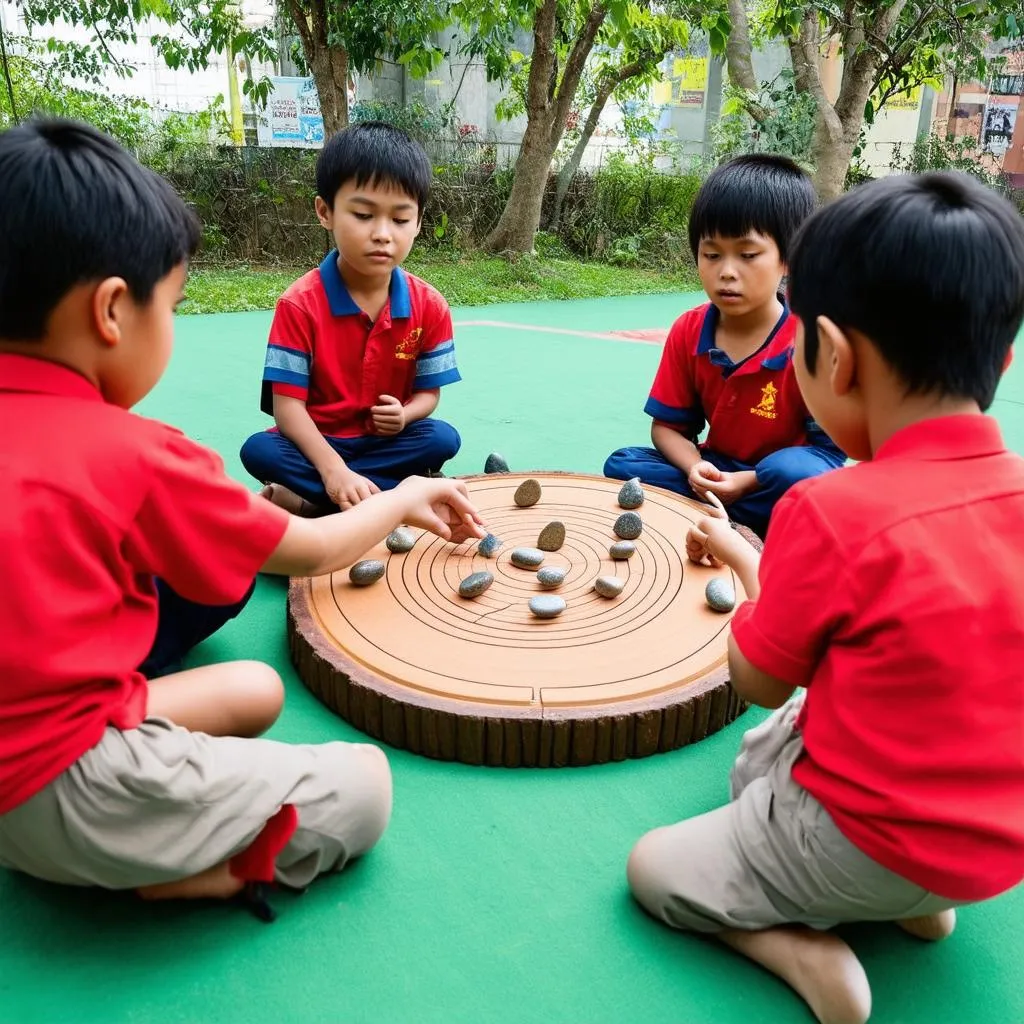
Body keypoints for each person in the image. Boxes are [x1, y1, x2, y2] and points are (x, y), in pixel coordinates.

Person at [0, 119, 485, 920]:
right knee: (364, 788)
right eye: (176, 305)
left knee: (255, 689)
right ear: (113, 312)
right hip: (51, 787)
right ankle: (173, 869)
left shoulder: (421, 302)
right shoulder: (138, 454)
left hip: (41, 726)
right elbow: (314, 547)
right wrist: (400, 497)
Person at [626, 171, 1024, 1024]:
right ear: (1003, 357)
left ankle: (805, 946)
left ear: (834, 356)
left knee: (658, 862)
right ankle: (917, 900)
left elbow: (762, 678)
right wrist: (748, 548)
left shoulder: (831, 509)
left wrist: (741, 579)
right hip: (996, 849)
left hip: (861, 841)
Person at [603, 154, 845, 536]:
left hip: (774, 481)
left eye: (748, 255)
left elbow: (828, 455)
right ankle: (726, 513)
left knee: (797, 476)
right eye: (712, 254)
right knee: (623, 463)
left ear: (789, 259)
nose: (727, 271)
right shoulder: (690, 329)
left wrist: (747, 482)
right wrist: (694, 467)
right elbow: (667, 428)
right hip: (715, 467)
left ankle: (713, 513)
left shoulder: (810, 338)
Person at [240, 121, 463, 516]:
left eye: (399, 219)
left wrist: (405, 415)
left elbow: (429, 396)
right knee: (259, 450)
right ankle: (394, 496)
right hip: (319, 443)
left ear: (419, 222)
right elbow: (287, 410)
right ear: (325, 212)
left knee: (443, 438)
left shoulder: (430, 305)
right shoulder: (298, 305)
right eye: (363, 214)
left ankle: (317, 504)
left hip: (385, 444)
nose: (382, 233)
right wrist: (334, 471)